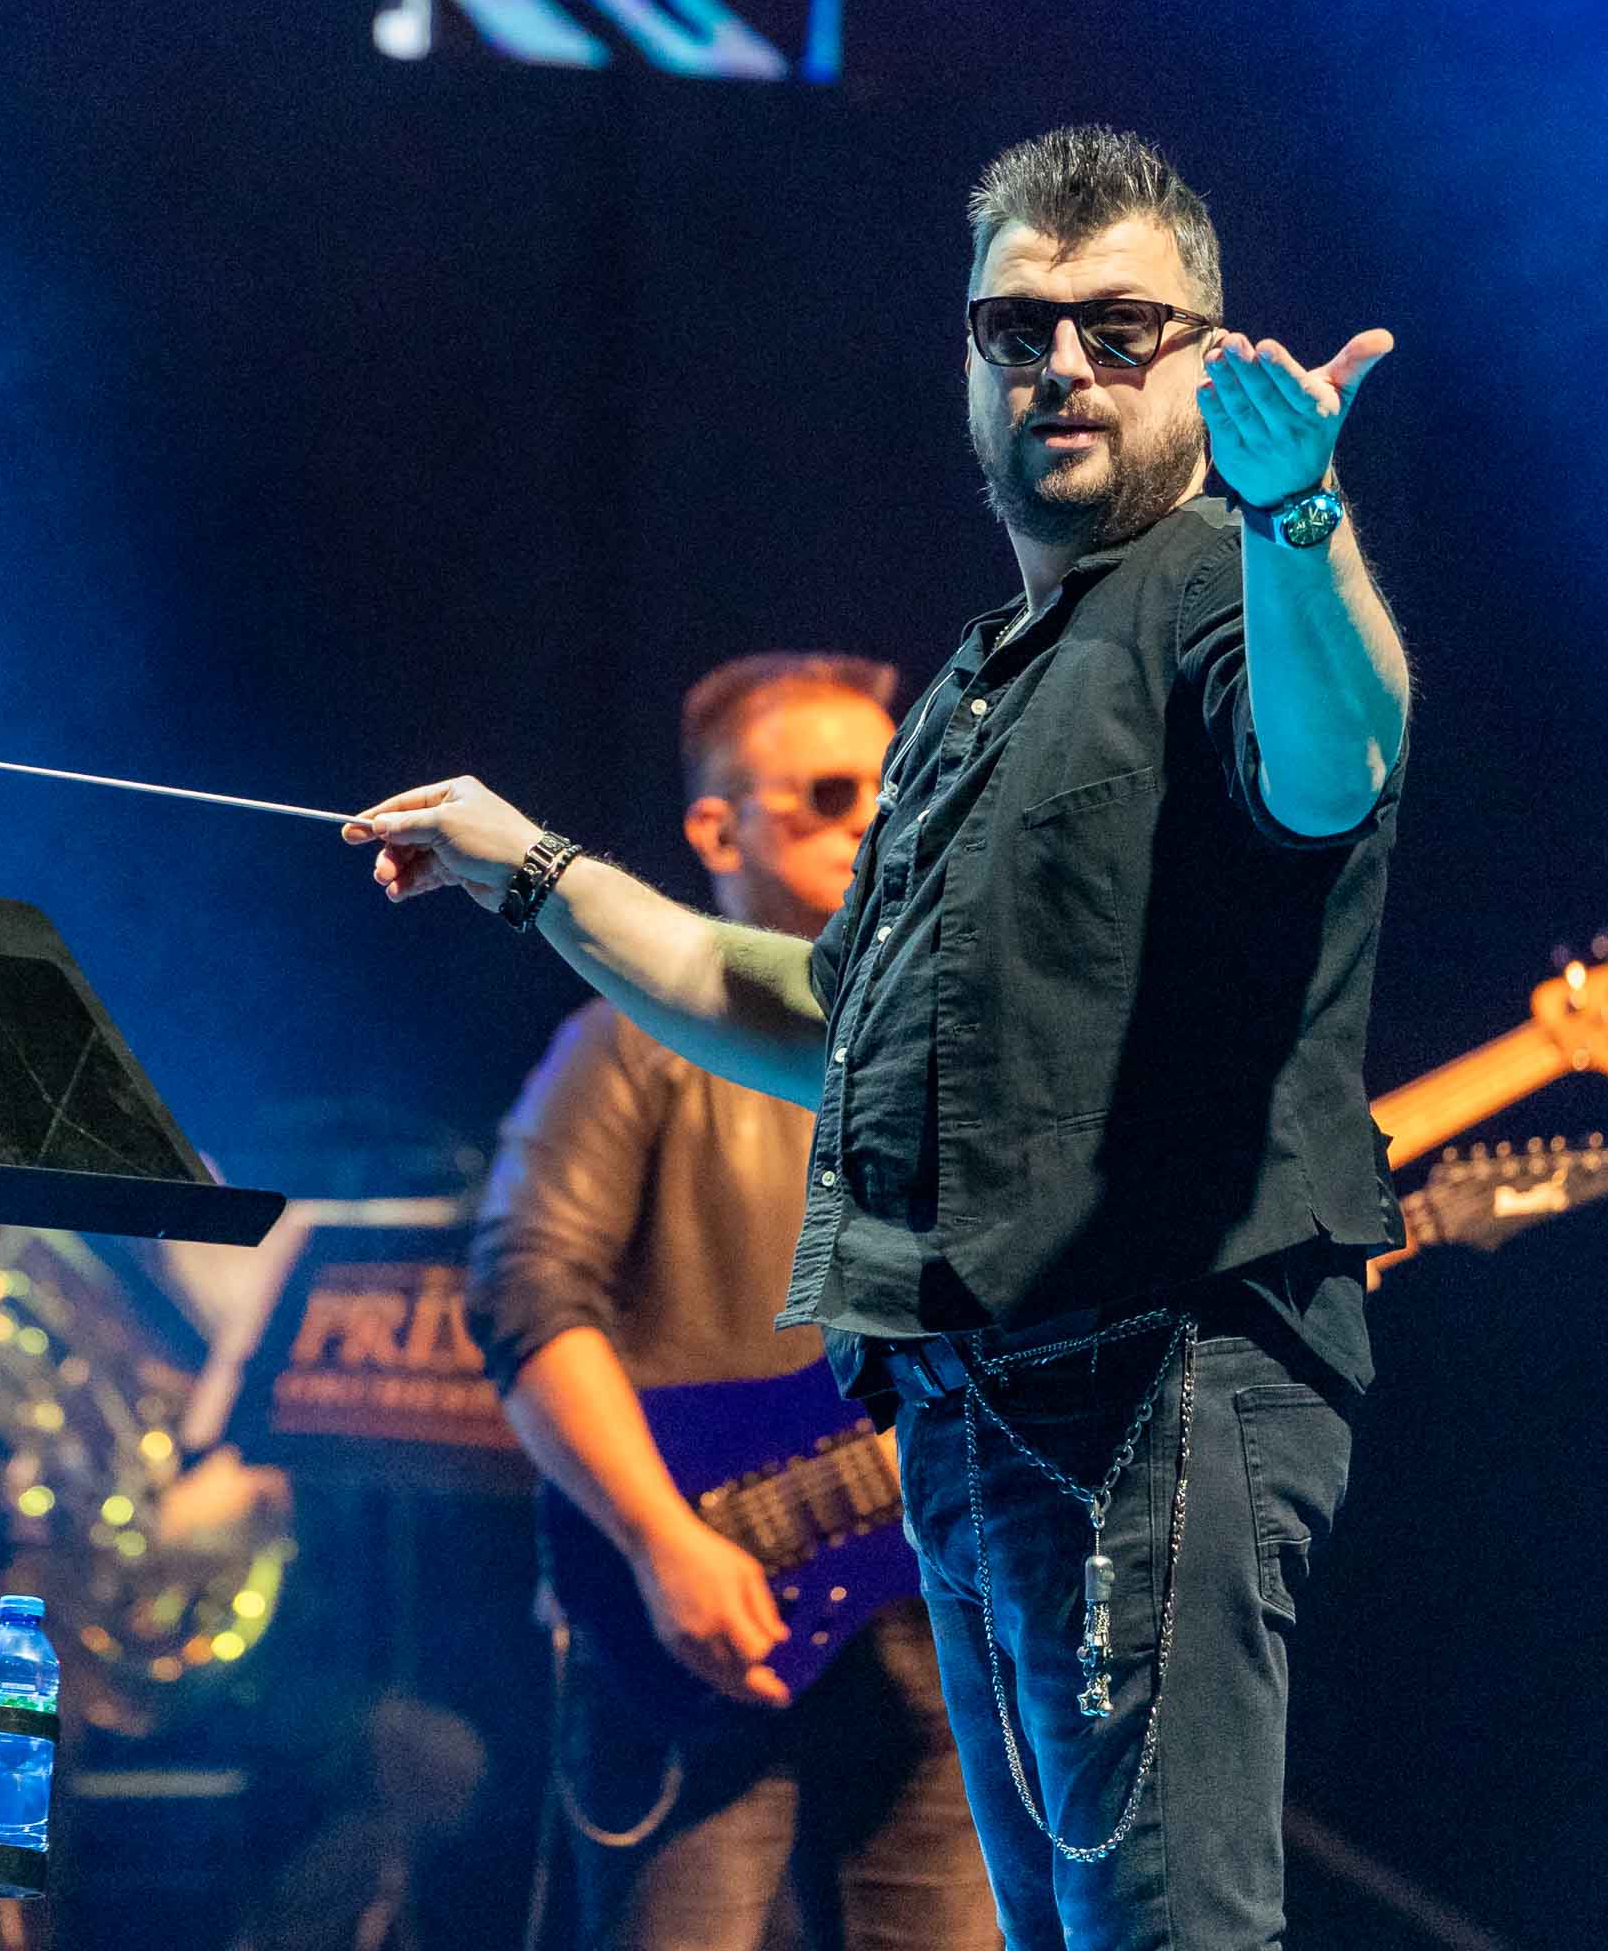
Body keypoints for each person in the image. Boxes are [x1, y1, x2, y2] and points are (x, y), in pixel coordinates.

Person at [345, 126, 1408, 1950]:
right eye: (1017, 328)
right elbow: (817, 1015)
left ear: (1206, 356)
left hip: (1147, 1393)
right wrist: (530, 872)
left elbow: (1338, 764)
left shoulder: (1220, 582)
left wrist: (1301, 517)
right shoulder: (981, 686)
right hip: (972, 1415)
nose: (1062, 364)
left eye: (1120, 328)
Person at [470, 652, 995, 1951]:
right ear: (716, 831)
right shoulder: (626, 1045)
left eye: (899, 782)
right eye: (830, 792)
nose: (876, 816)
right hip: (694, 1616)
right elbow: (528, 1291)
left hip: (938, 1612)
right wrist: (661, 1538)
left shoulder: (965, 1042)